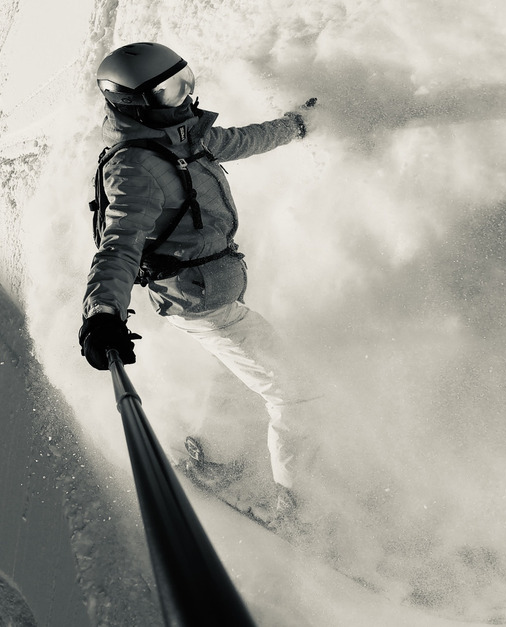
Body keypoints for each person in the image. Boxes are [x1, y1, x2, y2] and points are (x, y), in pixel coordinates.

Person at [78, 42, 316, 516]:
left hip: (217, 283)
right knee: (297, 395)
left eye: (184, 81)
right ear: (135, 103)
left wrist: (295, 126)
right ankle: (297, 512)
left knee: (242, 368)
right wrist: (102, 313)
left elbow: (244, 139)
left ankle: (214, 456)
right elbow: (119, 245)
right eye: (169, 91)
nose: (184, 96)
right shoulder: (134, 166)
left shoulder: (184, 134)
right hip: (197, 299)